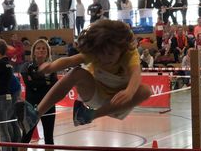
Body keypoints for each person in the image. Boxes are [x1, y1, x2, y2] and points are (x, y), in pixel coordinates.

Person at [15, 20, 152, 134]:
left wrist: (129, 91)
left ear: (121, 49)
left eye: (110, 54)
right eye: (101, 54)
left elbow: (136, 74)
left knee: (145, 91)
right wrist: (51, 67)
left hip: (118, 102)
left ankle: (89, 116)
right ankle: (35, 115)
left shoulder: (129, 53)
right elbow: (70, 60)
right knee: (76, 72)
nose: (105, 58)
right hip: (96, 95)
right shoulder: (96, 51)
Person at [14, 39, 58, 151]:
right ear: (33, 52)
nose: (41, 51)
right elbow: (30, 83)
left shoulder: (52, 67)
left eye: (43, 49)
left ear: (47, 52)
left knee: (49, 136)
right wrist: (43, 81)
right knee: (25, 137)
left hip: (48, 106)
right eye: (38, 48)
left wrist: (38, 82)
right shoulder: (26, 67)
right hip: (30, 106)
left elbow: (53, 86)